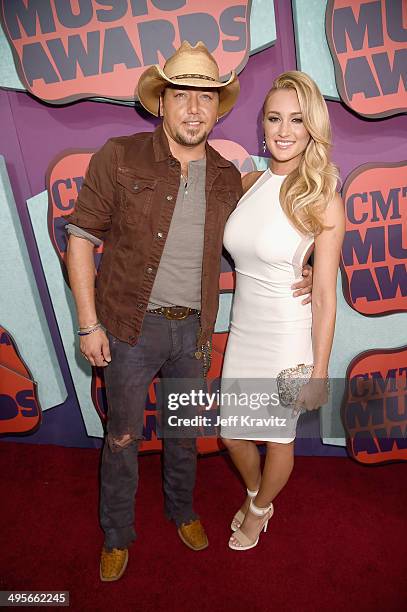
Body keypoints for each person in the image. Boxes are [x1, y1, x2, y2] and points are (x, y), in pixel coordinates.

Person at [65, 42, 312, 581]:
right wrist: (89, 324)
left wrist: (307, 265)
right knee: (123, 436)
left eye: (206, 96)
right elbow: (81, 236)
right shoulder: (119, 155)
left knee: (183, 433)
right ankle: (117, 533)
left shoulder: (228, 176)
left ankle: (182, 510)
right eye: (182, 95)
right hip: (129, 330)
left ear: (218, 107)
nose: (195, 108)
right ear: (162, 103)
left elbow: (267, 231)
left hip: (193, 334)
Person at [220, 71, 345, 550]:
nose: (284, 130)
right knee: (232, 435)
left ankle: (256, 512)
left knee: (277, 437)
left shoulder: (322, 200)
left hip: (288, 335)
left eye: (297, 119)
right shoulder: (250, 181)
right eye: (274, 118)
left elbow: (326, 294)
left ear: (312, 128)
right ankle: (258, 494)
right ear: (263, 124)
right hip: (244, 330)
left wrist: (319, 370)